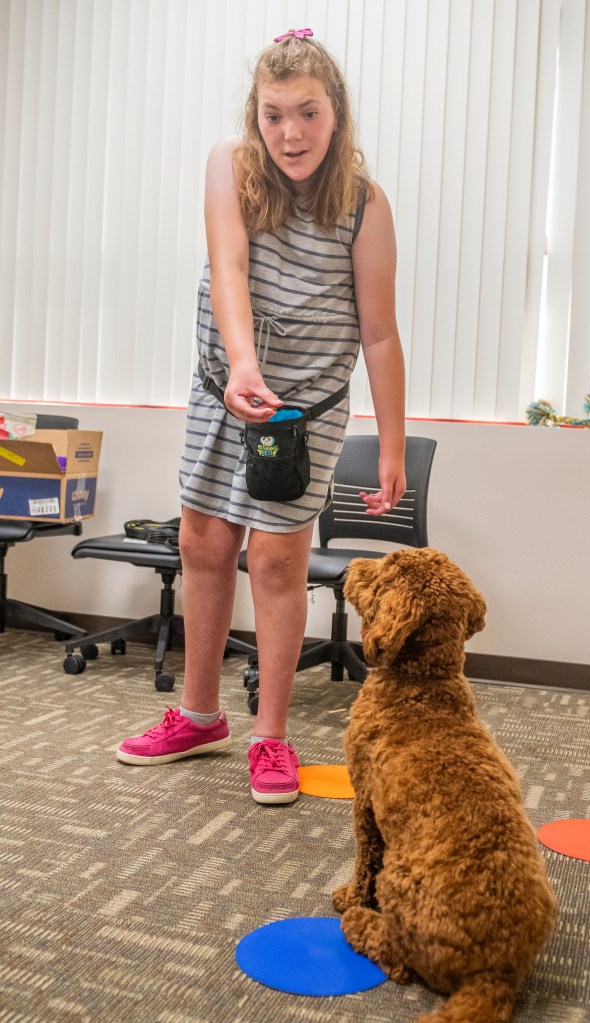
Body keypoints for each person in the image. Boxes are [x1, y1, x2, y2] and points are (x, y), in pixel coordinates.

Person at [116, 29, 406, 805]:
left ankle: (270, 734)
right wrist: (241, 363)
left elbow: (378, 332)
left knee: (276, 564)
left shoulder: (362, 204)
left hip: (301, 413)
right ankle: (199, 714)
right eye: (273, 114)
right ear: (256, 116)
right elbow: (230, 266)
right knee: (202, 545)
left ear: (335, 114)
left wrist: (391, 443)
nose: (290, 133)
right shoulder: (231, 166)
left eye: (307, 113)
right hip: (223, 389)